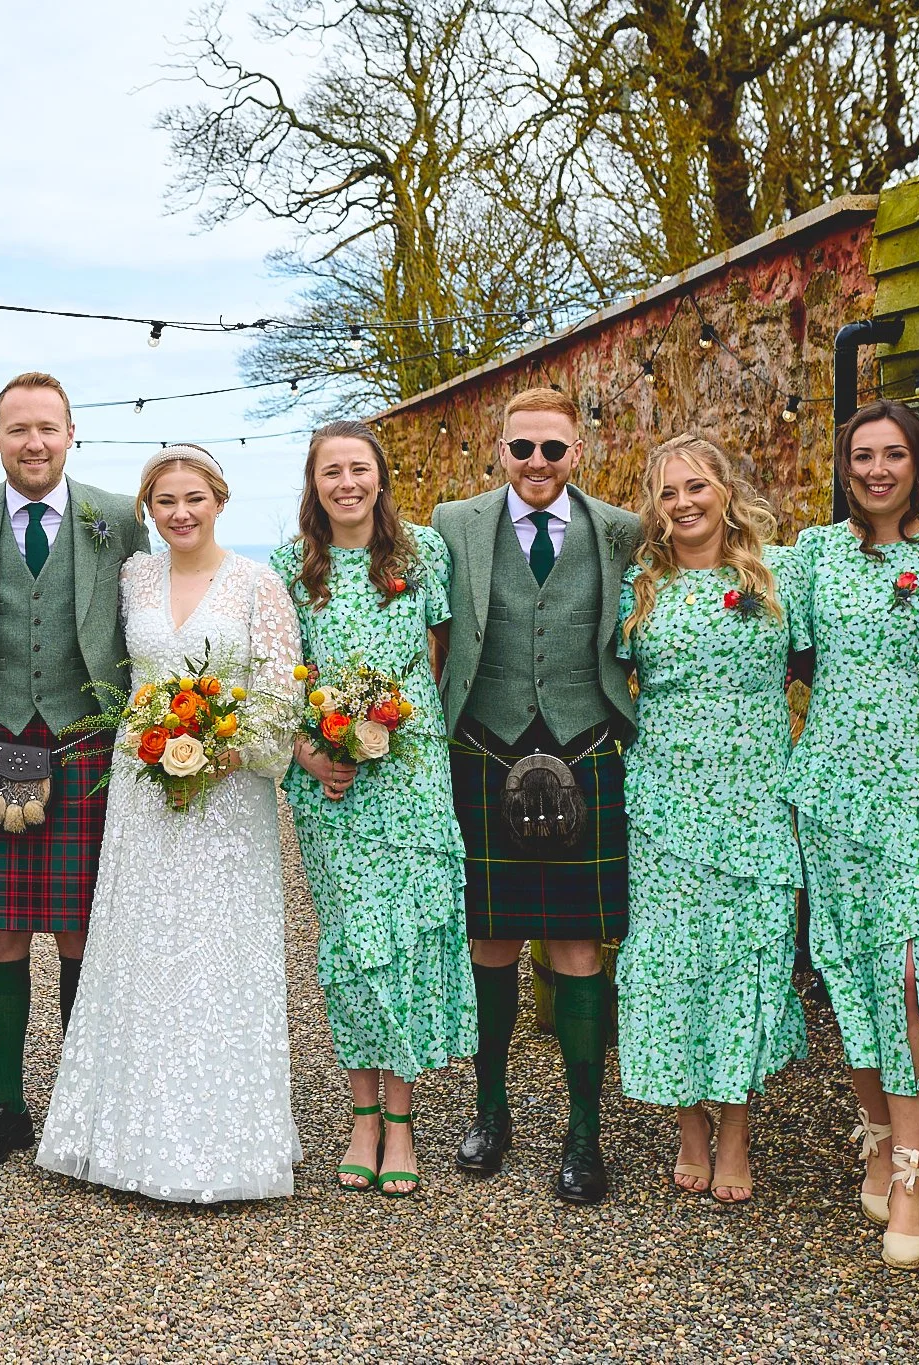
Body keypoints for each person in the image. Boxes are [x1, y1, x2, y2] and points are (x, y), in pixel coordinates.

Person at [36, 446, 304, 1203]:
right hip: (142, 778)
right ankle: (125, 1133)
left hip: (227, 794)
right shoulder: (133, 577)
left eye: (193, 498)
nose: (179, 513)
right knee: (142, 945)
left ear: (219, 499)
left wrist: (223, 750)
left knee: (220, 947)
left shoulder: (260, 584)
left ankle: (229, 1141)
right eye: (164, 502)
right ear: (147, 513)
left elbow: (280, 693)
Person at [785, 400, 919, 1270]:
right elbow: (774, 642)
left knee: (915, 970)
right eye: (862, 456)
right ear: (846, 467)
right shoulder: (814, 556)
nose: (877, 470)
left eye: (893, 455)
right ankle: (874, 1134)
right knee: (852, 966)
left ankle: (910, 1177)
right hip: (833, 790)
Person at [0, 372, 150, 1174]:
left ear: (71, 433)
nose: (33, 442)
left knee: (84, 930)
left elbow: (146, 617)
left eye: (47, 428)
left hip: (86, 744)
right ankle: (9, 1105)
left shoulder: (119, 517)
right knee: (3, 930)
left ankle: (80, 1101)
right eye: (17, 428)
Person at [431, 385, 641, 1204]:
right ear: (501, 447)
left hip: (587, 747)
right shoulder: (455, 524)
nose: (537, 464)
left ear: (576, 451)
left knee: (580, 946)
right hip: (485, 747)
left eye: (553, 449)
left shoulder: (621, 529)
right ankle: (491, 1111)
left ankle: (584, 1135)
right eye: (522, 448)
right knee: (490, 939)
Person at [272, 420, 475, 1197]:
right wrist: (310, 750)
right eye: (332, 471)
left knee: (411, 937)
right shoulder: (294, 565)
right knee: (353, 944)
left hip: (413, 773)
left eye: (360, 469)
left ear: (380, 477)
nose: (347, 483)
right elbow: (283, 674)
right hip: (333, 785)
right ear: (314, 483)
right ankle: (360, 1113)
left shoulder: (424, 553)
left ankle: (402, 1119)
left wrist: (394, 728)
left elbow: (440, 657)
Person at [614, 434, 807, 1204]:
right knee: (672, 963)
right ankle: (689, 1126)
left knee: (747, 962)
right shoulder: (641, 585)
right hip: (663, 802)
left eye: (697, 487)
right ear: (655, 510)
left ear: (726, 489)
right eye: (669, 493)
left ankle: (735, 1132)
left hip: (755, 798)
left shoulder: (778, 575)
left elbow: (824, 671)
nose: (685, 503)